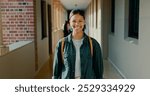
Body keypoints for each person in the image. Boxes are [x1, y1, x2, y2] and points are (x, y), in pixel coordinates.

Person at [52, 9, 103, 79]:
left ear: (84, 22)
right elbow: (56, 72)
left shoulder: (94, 44)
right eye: (74, 21)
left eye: (80, 21)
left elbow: (99, 71)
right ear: (69, 23)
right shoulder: (61, 44)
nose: (77, 24)